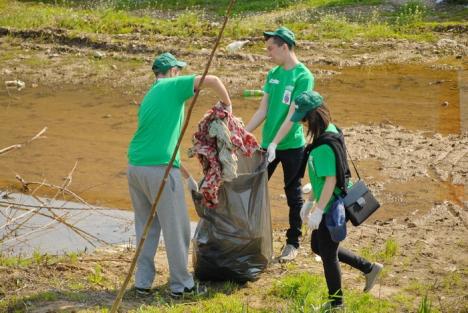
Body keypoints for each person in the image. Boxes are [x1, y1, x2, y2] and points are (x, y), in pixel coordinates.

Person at [127, 52, 232, 298]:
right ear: (173, 71)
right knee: (177, 229)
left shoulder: (151, 94)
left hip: (136, 167)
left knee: (146, 226)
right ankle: (181, 286)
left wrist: (185, 175)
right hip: (159, 170)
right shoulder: (171, 85)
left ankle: (142, 282)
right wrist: (227, 105)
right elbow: (213, 80)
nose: (181, 73)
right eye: (179, 70)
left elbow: (162, 144)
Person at [291, 90, 383, 310]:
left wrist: (319, 209)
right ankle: (369, 268)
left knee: (328, 255)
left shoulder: (322, 147)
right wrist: (309, 201)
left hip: (332, 206)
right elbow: (320, 178)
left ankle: (336, 303)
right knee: (319, 246)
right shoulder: (331, 130)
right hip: (328, 199)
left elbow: (330, 181)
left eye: (303, 119)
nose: (302, 124)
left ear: (312, 117)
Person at [245, 26, 314, 262]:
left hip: (292, 146)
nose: (268, 53)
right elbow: (263, 109)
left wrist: (276, 142)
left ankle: (293, 242)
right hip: (267, 145)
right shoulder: (273, 74)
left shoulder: (303, 76)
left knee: (292, 192)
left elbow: (293, 114)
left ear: (285, 47)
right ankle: (251, 236)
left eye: (271, 49)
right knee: (254, 188)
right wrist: (242, 134)